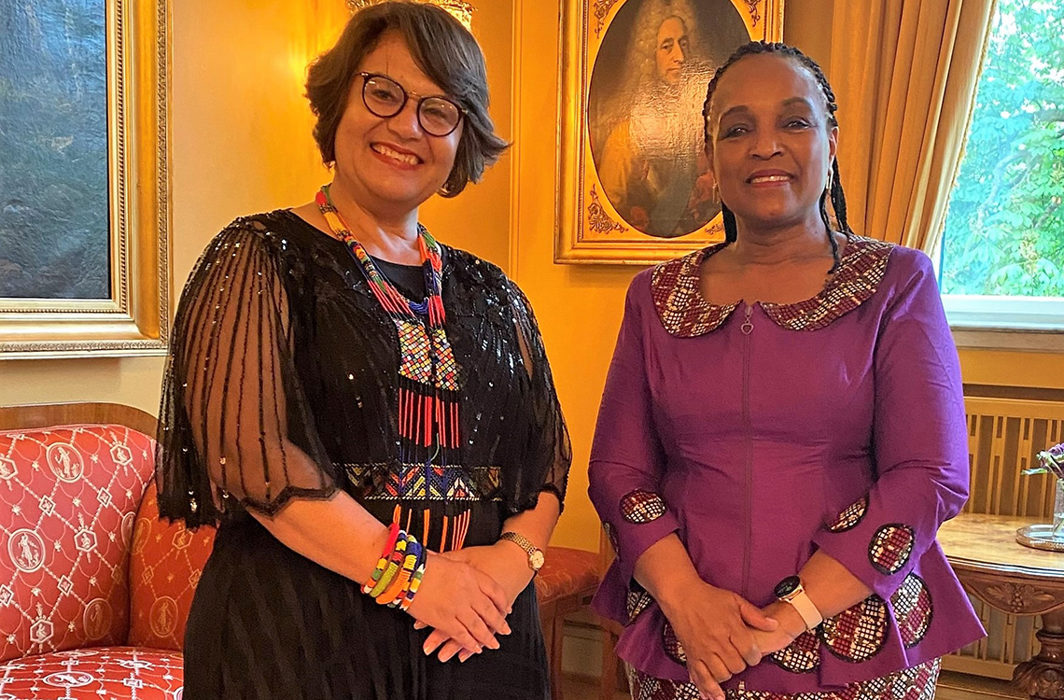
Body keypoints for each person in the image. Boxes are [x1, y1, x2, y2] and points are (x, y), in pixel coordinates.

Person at [156, 4, 571, 698]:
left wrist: (509, 566)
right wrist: (418, 579)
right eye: (384, 93)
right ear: (339, 100)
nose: (407, 126)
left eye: (438, 109)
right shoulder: (258, 257)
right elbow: (257, 461)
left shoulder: (495, 292)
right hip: (304, 641)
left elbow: (544, 460)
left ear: (463, 136)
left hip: (480, 634)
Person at [588, 41, 985, 700]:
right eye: (737, 129)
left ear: (831, 142)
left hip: (854, 635)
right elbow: (617, 471)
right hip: (687, 639)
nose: (765, 146)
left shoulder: (896, 281)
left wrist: (787, 619)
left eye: (794, 122)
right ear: (709, 157)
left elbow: (929, 474)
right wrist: (687, 602)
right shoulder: (654, 296)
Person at [595, 0, 719, 237]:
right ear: (650, 57)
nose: (679, 56)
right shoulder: (625, 137)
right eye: (667, 47)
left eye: (684, 44)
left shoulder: (709, 128)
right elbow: (610, 213)